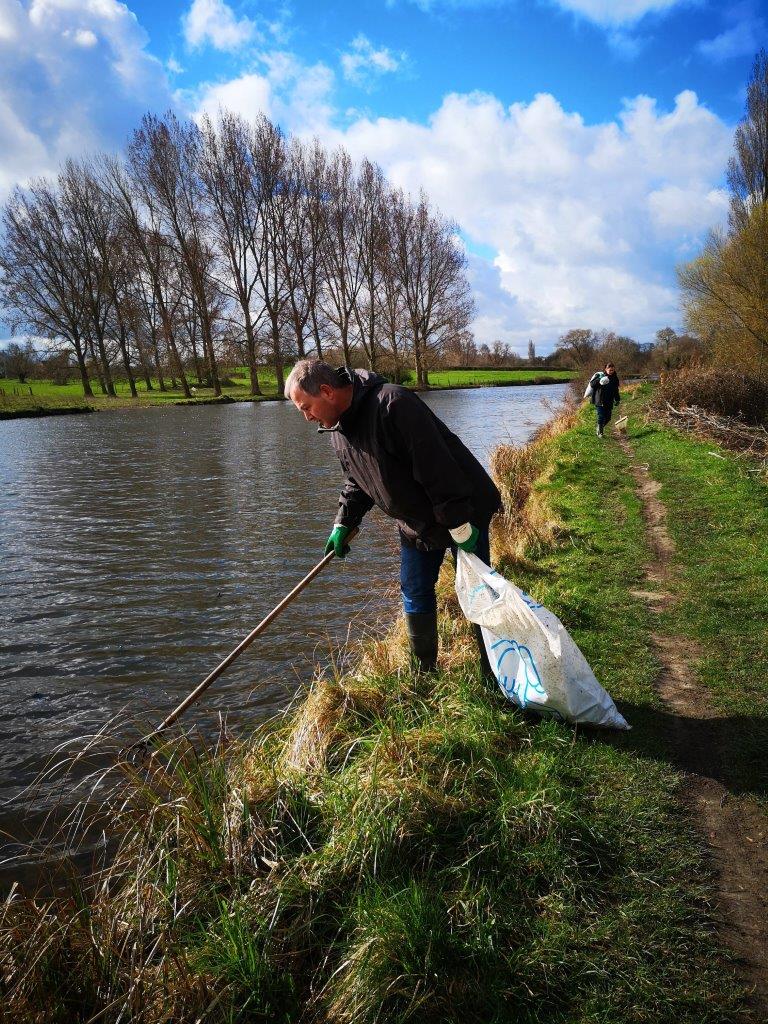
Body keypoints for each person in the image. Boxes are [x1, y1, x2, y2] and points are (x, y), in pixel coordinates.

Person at [285, 359, 502, 675]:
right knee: (414, 590)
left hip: (461, 508)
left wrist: (458, 523)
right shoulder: (337, 429)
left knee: (476, 589)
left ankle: (494, 670)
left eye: (306, 407)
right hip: (416, 522)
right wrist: (344, 522)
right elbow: (357, 481)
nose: (306, 417)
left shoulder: (393, 403)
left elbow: (437, 466)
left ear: (327, 391)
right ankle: (424, 673)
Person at [588, 362, 621, 437]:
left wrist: (617, 399)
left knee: (608, 418)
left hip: (609, 400)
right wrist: (599, 379)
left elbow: (616, 390)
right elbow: (592, 384)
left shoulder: (615, 378)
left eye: (613, 370)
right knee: (601, 416)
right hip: (599, 400)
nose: (611, 372)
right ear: (606, 369)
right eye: (610, 370)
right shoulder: (599, 375)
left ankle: (599, 428)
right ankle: (600, 433)